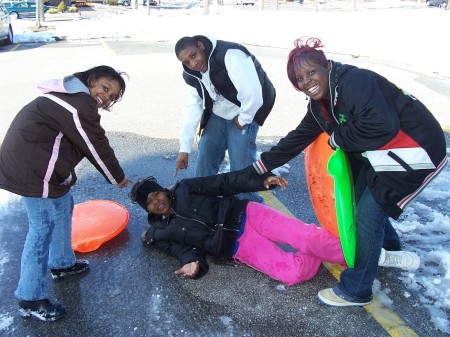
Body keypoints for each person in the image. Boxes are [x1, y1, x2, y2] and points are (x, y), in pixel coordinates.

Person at [251, 37, 447, 307]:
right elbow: (298, 138)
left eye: (311, 72)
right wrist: (262, 166)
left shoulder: (355, 82)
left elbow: (383, 125)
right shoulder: (321, 105)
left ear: (327, 66)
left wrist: (338, 138)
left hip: (415, 152)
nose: (307, 81)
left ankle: (356, 289)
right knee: (363, 200)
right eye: (299, 78)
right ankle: (387, 251)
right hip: (384, 152)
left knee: (367, 215)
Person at [0, 65, 132, 321]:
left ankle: (61, 263)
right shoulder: (79, 103)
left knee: (63, 205)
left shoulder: (70, 95)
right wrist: (117, 177)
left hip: (38, 163)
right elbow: (96, 145)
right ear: (91, 79)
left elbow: (69, 142)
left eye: (111, 96)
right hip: (31, 170)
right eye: (105, 88)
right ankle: (30, 297)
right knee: (42, 227)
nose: (105, 97)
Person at [130, 169, 418, 285]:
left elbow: (225, 183)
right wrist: (194, 265)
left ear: (163, 191)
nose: (156, 200)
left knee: (305, 237)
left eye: (156, 194)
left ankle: (375, 255)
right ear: (146, 209)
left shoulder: (185, 188)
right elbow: (183, 251)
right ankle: (316, 244)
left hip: (248, 215)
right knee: (293, 273)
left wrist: (259, 180)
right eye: (149, 201)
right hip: (237, 246)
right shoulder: (159, 233)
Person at [173, 35, 276, 203]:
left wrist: (244, 118)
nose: (193, 64)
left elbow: (253, 94)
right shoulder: (192, 74)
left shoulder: (230, 55)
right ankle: (203, 204)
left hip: (246, 109)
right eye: (186, 62)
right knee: (205, 156)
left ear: (201, 46)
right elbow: (194, 106)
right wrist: (184, 148)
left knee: (241, 170)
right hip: (219, 111)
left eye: (193, 55)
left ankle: (249, 209)